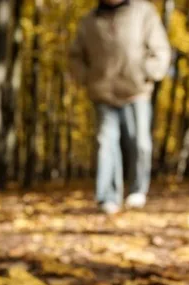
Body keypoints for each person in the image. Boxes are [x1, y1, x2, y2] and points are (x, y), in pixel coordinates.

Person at [69, 0, 171, 214]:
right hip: (103, 92)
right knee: (105, 143)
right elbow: (75, 56)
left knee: (140, 142)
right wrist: (86, 78)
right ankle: (108, 197)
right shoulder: (90, 21)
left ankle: (137, 191)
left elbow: (160, 49)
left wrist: (148, 72)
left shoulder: (143, 12)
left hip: (137, 90)